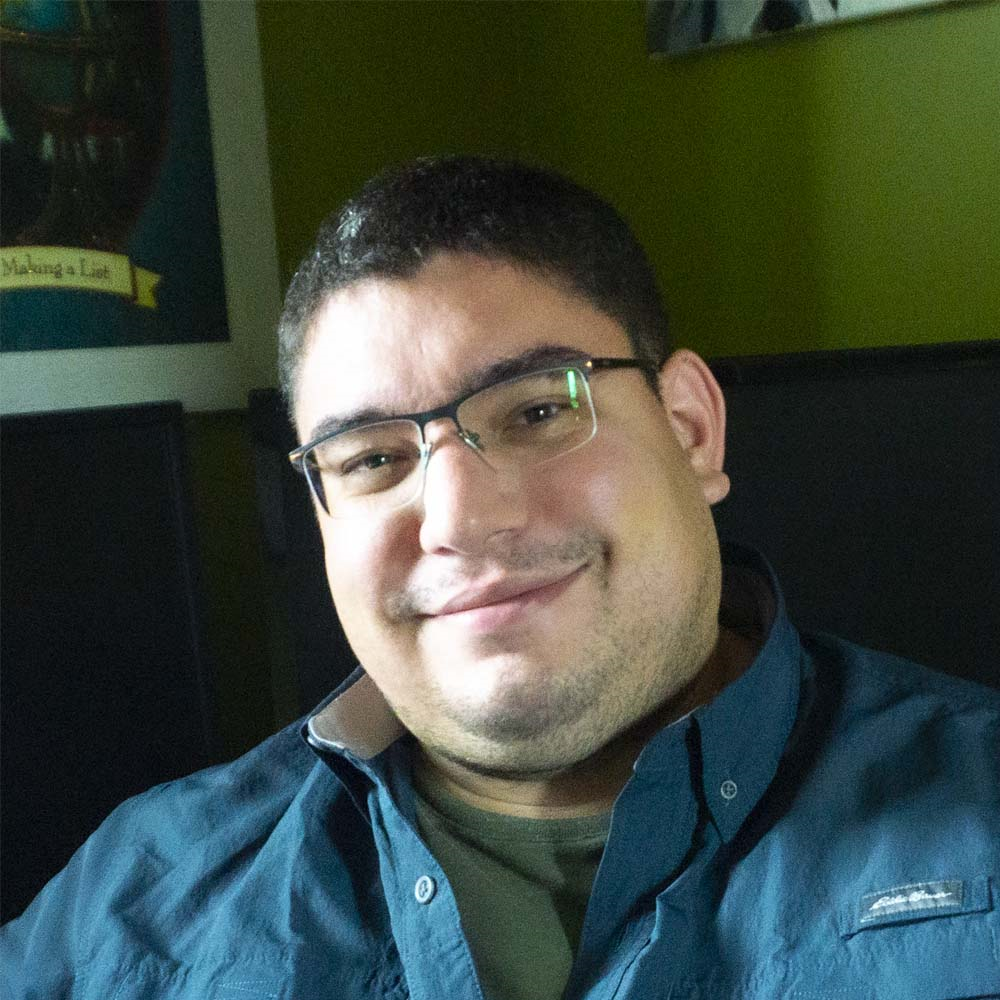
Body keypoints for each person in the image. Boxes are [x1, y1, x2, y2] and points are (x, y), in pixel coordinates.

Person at [2, 156, 998, 999]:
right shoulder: (136, 902)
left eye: (535, 410)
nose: (458, 516)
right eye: (370, 458)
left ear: (691, 429)